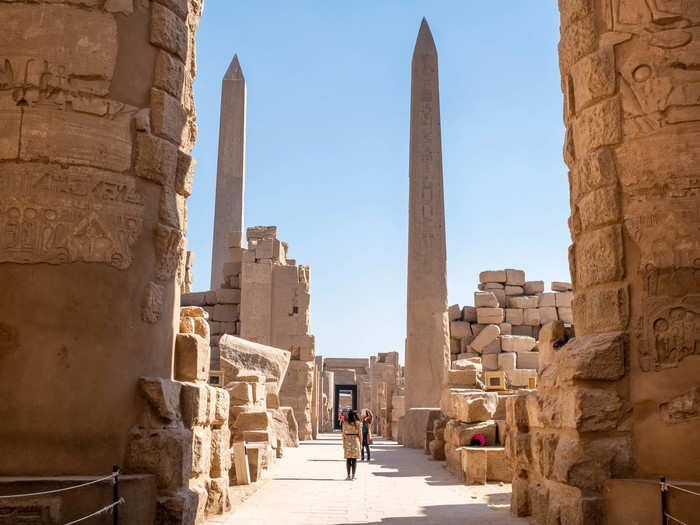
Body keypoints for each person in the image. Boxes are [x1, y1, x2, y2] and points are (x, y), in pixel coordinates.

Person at [342, 409, 361, 480]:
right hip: (355, 441)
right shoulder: (358, 423)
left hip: (347, 440)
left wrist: (343, 443)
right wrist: (361, 444)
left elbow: (343, 434)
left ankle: (348, 475)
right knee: (354, 459)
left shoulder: (345, 423)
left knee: (348, 459)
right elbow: (360, 435)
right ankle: (353, 475)